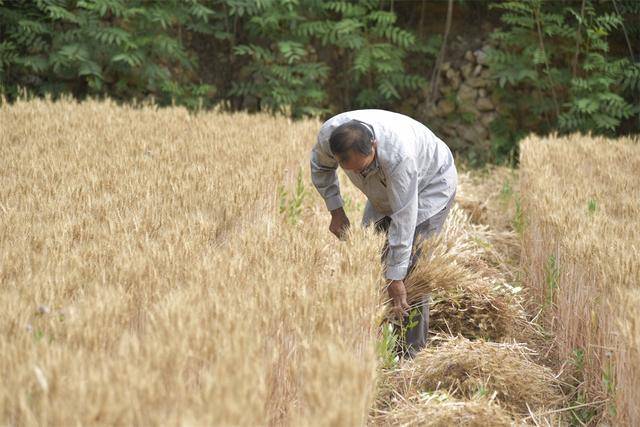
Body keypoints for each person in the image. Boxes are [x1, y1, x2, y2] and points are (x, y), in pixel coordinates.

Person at [310, 109, 458, 358]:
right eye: (353, 171)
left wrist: (397, 277)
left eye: (364, 167)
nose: (359, 174)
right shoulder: (329, 137)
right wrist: (336, 211)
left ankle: (409, 354)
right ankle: (380, 336)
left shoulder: (400, 157)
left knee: (410, 269)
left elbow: (404, 217)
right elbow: (320, 168)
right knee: (376, 258)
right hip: (382, 186)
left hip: (430, 185)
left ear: (374, 145)